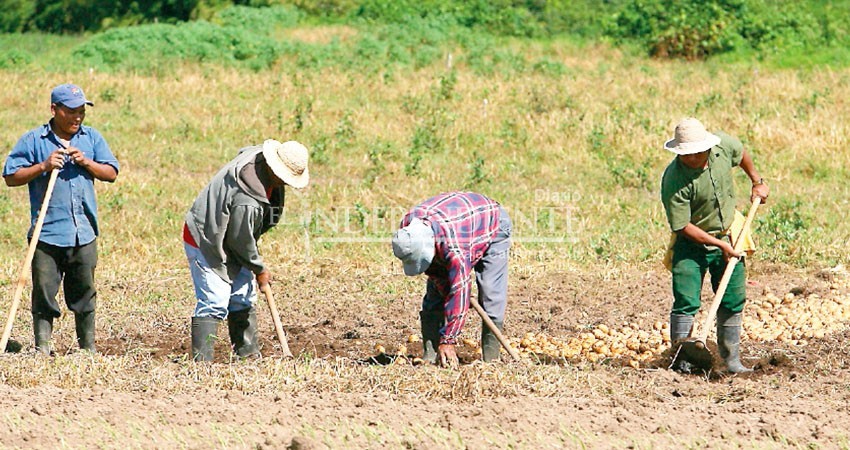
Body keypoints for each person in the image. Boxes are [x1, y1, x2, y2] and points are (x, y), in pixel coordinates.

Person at [3, 83, 120, 354]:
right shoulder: (34, 140)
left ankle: (86, 348)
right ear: (54, 110)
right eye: (71, 112)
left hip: (84, 232)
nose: (77, 118)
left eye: (81, 112)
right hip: (46, 234)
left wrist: (87, 163)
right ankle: (43, 347)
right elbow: (10, 177)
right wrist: (43, 166)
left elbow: (111, 172)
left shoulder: (91, 138)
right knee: (44, 292)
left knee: (84, 292)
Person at [660, 117, 769, 373]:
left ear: (706, 147)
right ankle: (681, 361)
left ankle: (730, 361)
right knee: (686, 301)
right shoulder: (674, 179)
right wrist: (719, 246)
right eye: (686, 155)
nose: (692, 159)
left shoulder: (721, 147)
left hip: (729, 234)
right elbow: (682, 225)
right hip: (691, 242)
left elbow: (740, 152)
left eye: (697, 153)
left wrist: (756, 181)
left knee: (732, 299)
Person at [184, 139, 309, 361]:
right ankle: (201, 363)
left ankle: (248, 355)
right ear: (275, 169)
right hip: (206, 237)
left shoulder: (258, 157)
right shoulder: (247, 201)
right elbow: (240, 240)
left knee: (243, 295)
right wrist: (259, 269)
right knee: (215, 299)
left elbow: (241, 237)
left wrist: (252, 261)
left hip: (231, 233)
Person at [392, 191, 512, 368]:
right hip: (459, 221)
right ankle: (430, 356)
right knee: (434, 294)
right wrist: (444, 288)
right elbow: (437, 275)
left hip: (491, 222)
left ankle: (491, 360)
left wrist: (449, 339)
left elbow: (460, 290)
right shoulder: (407, 231)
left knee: (490, 293)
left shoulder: (455, 250)